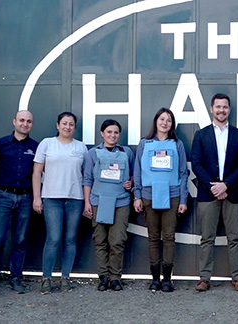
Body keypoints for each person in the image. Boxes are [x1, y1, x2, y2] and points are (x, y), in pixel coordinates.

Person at [191, 93, 238, 292]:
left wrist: (226, 185)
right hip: (208, 195)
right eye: (218, 107)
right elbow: (197, 165)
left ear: (229, 110)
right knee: (207, 237)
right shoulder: (201, 135)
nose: (221, 110)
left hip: (233, 194)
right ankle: (204, 278)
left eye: (225, 107)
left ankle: (237, 278)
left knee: (234, 237)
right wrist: (214, 186)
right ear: (211, 109)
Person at [133, 108, 188, 292]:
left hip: (172, 196)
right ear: (156, 121)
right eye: (162, 119)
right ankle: (155, 278)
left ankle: (167, 279)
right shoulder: (144, 143)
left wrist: (183, 199)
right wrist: (137, 195)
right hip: (149, 196)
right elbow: (138, 171)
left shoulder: (177, 144)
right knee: (153, 238)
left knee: (169, 237)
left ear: (172, 124)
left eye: (169, 120)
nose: (165, 123)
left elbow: (182, 173)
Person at [32, 112, 87, 295]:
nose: (67, 127)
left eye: (71, 124)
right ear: (57, 125)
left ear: (75, 127)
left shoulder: (81, 147)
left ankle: (65, 278)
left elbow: (86, 176)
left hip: (75, 198)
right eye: (64, 123)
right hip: (51, 198)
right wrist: (37, 197)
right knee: (53, 239)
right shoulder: (47, 144)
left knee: (70, 240)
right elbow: (37, 173)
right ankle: (46, 278)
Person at [0, 110, 39, 293]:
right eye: (22, 120)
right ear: (14, 121)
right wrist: (1, 185)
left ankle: (16, 277)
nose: (25, 124)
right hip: (3, 195)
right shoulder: (0, 144)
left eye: (29, 121)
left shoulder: (35, 146)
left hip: (26, 197)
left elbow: (37, 173)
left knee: (20, 239)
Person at [83, 119, 134, 292]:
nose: (112, 135)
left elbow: (134, 175)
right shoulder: (92, 153)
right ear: (102, 133)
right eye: (109, 132)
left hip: (121, 202)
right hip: (98, 201)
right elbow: (87, 179)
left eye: (116, 132)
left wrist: (130, 182)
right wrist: (87, 202)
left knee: (117, 241)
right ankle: (103, 277)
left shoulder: (127, 152)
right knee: (100, 240)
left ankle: (115, 278)